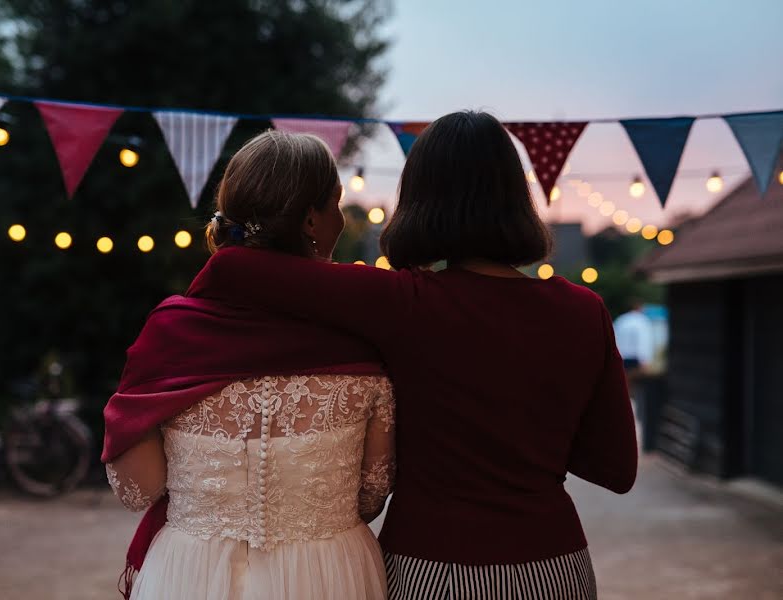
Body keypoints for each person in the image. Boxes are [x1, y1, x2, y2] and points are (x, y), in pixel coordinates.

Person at [190, 111, 638, 599]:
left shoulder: (402, 303)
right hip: (552, 567)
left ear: (419, 201)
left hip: (430, 566)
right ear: (517, 198)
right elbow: (616, 470)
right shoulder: (583, 313)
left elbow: (237, 269)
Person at [102, 131, 395, 600]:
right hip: (327, 575)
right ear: (311, 221)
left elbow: (139, 489)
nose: (342, 219)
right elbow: (371, 494)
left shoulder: (170, 334)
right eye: (336, 203)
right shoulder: (362, 334)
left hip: (192, 576)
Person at [612, 298, 655, 379]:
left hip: (620, 357)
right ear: (640, 308)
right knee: (634, 385)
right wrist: (644, 360)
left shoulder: (621, 319)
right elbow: (643, 341)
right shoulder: (642, 321)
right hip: (635, 359)